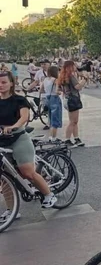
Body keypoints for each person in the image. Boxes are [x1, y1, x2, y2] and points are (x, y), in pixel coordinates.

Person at [0, 71, 57, 209]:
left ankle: (49, 195)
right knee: (5, 178)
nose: (0, 85)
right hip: (2, 140)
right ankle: (11, 210)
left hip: (18, 138)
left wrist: (14, 126)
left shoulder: (19, 100)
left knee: (27, 172)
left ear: (11, 83)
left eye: (4, 82)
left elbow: (24, 117)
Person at [59, 60, 85, 147]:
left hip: (67, 99)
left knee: (74, 121)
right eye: (74, 65)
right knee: (73, 121)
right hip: (73, 99)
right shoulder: (70, 76)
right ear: (70, 66)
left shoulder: (63, 76)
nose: (75, 67)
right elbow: (77, 87)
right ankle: (67, 139)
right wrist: (84, 80)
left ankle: (76, 138)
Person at [42, 65, 62, 141]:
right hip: (55, 99)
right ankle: (54, 137)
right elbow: (57, 91)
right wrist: (60, 92)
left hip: (48, 99)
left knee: (51, 119)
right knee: (55, 119)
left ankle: (51, 136)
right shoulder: (55, 80)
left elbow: (41, 90)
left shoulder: (45, 79)